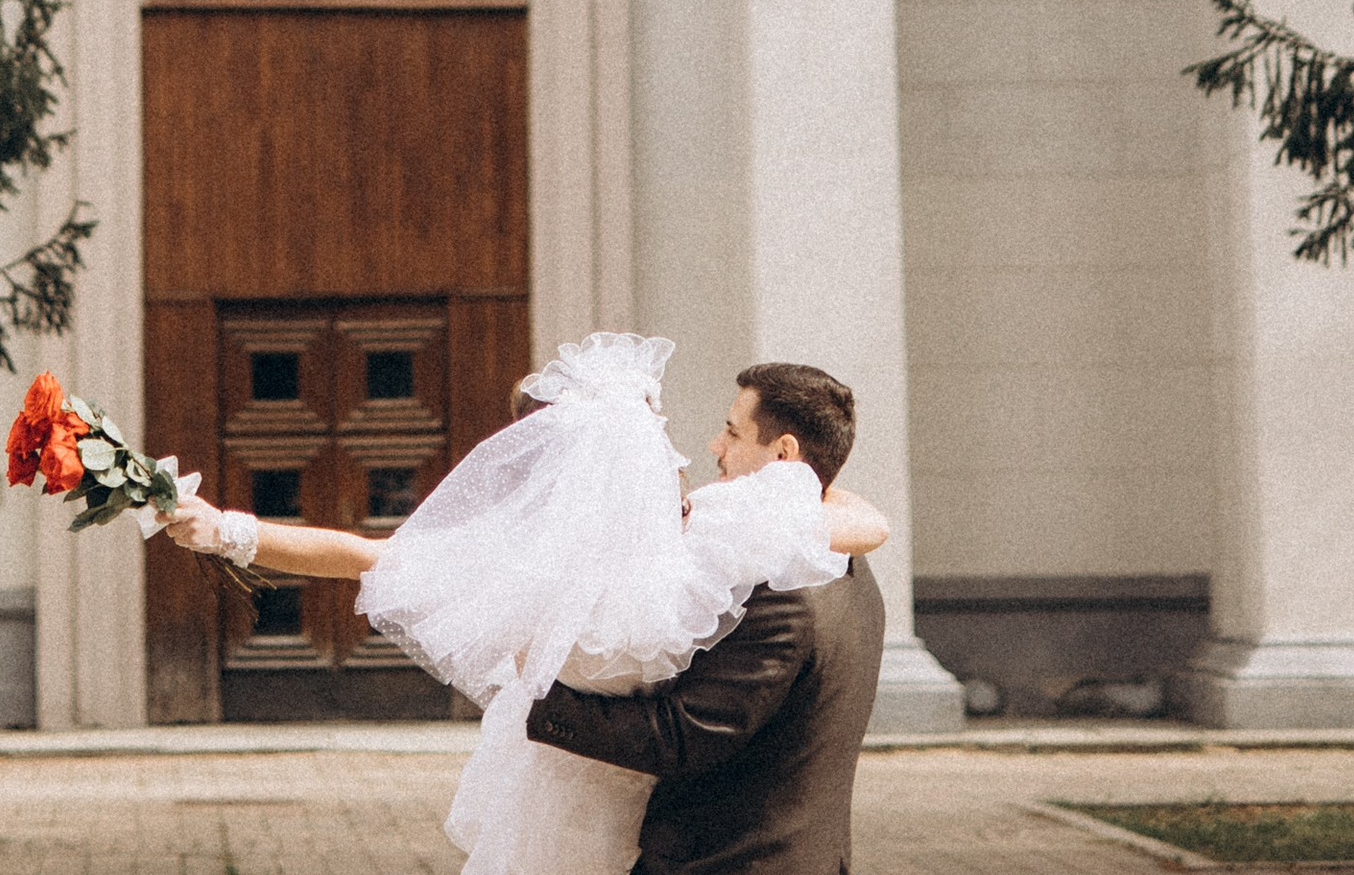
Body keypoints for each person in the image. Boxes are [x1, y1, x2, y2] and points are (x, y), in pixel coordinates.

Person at [162, 336, 888, 875]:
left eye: (730, 432)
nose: (704, 447)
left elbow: (679, 735)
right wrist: (229, 531)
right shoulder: (749, 555)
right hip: (618, 828)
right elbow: (367, 555)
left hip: (681, 837)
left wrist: (532, 692)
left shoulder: (732, 560)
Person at [527, 363, 888, 875]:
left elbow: (687, 734)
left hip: (732, 861)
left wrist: (540, 699)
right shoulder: (848, 563)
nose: (715, 445)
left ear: (783, 454)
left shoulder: (782, 593)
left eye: (733, 432)